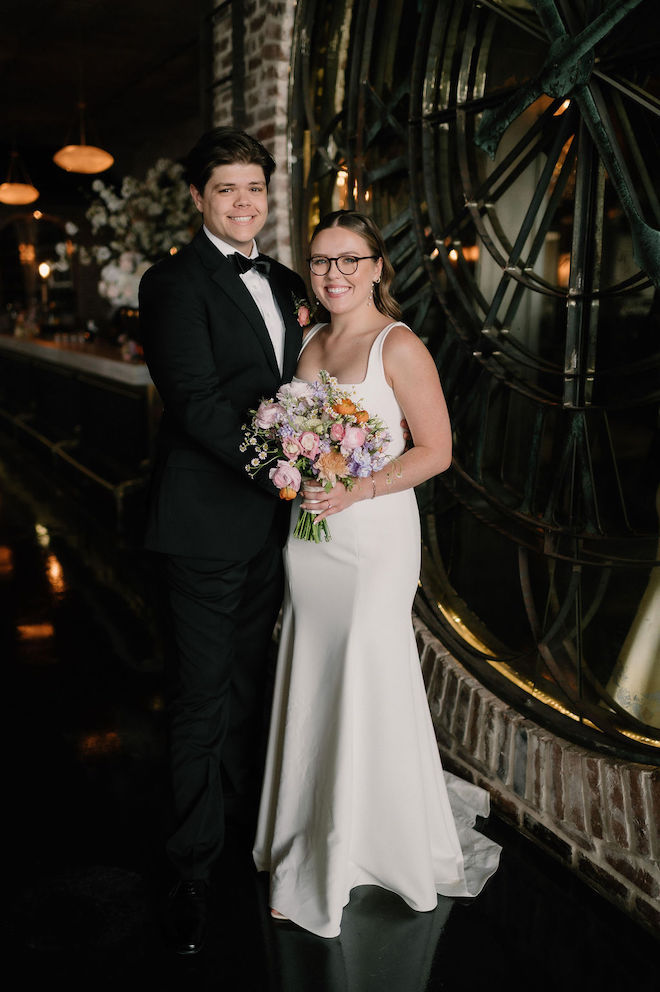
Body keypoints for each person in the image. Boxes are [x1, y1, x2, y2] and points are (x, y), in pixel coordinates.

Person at [253, 210, 500, 938]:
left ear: (378, 267)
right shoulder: (308, 342)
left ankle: (357, 850)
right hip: (310, 539)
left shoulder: (399, 345)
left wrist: (359, 488)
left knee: (365, 670)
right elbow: (293, 441)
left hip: (372, 538)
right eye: (323, 261)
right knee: (313, 670)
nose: (334, 274)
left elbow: (437, 451)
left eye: (349, 260)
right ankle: (305, 833)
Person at [138, 127, 308, 955]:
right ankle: (190, 871)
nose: (245, 204)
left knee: (250, 685)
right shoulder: (171, 281)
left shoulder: (283, 280)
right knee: (203, 697)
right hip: (206, 523)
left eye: (256, 189)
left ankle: (249, 836)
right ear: (200, 199)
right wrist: (282, 469)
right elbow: (197, 403)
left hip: (273, 528)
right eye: (228, 190)